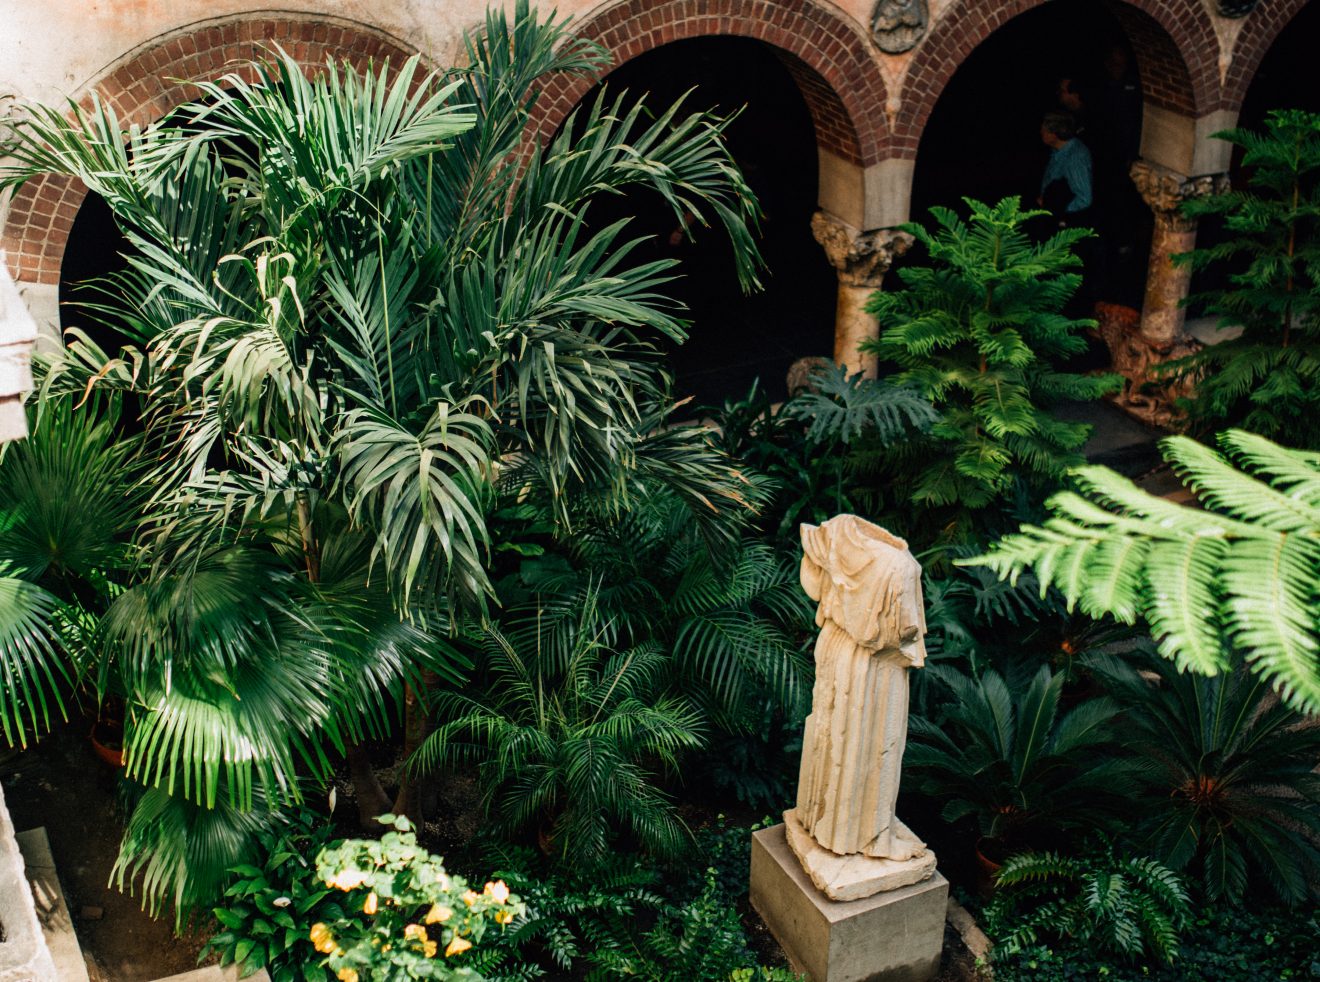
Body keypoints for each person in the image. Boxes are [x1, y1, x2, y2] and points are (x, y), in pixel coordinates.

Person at [1038, 110, 1093, 220]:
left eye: (1043, 130)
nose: (1040, 132)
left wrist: (1056, 209)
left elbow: (1084, 199)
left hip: (1062, 218)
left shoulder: (1074, 158)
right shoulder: (1060, 149)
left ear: (1054, 135)